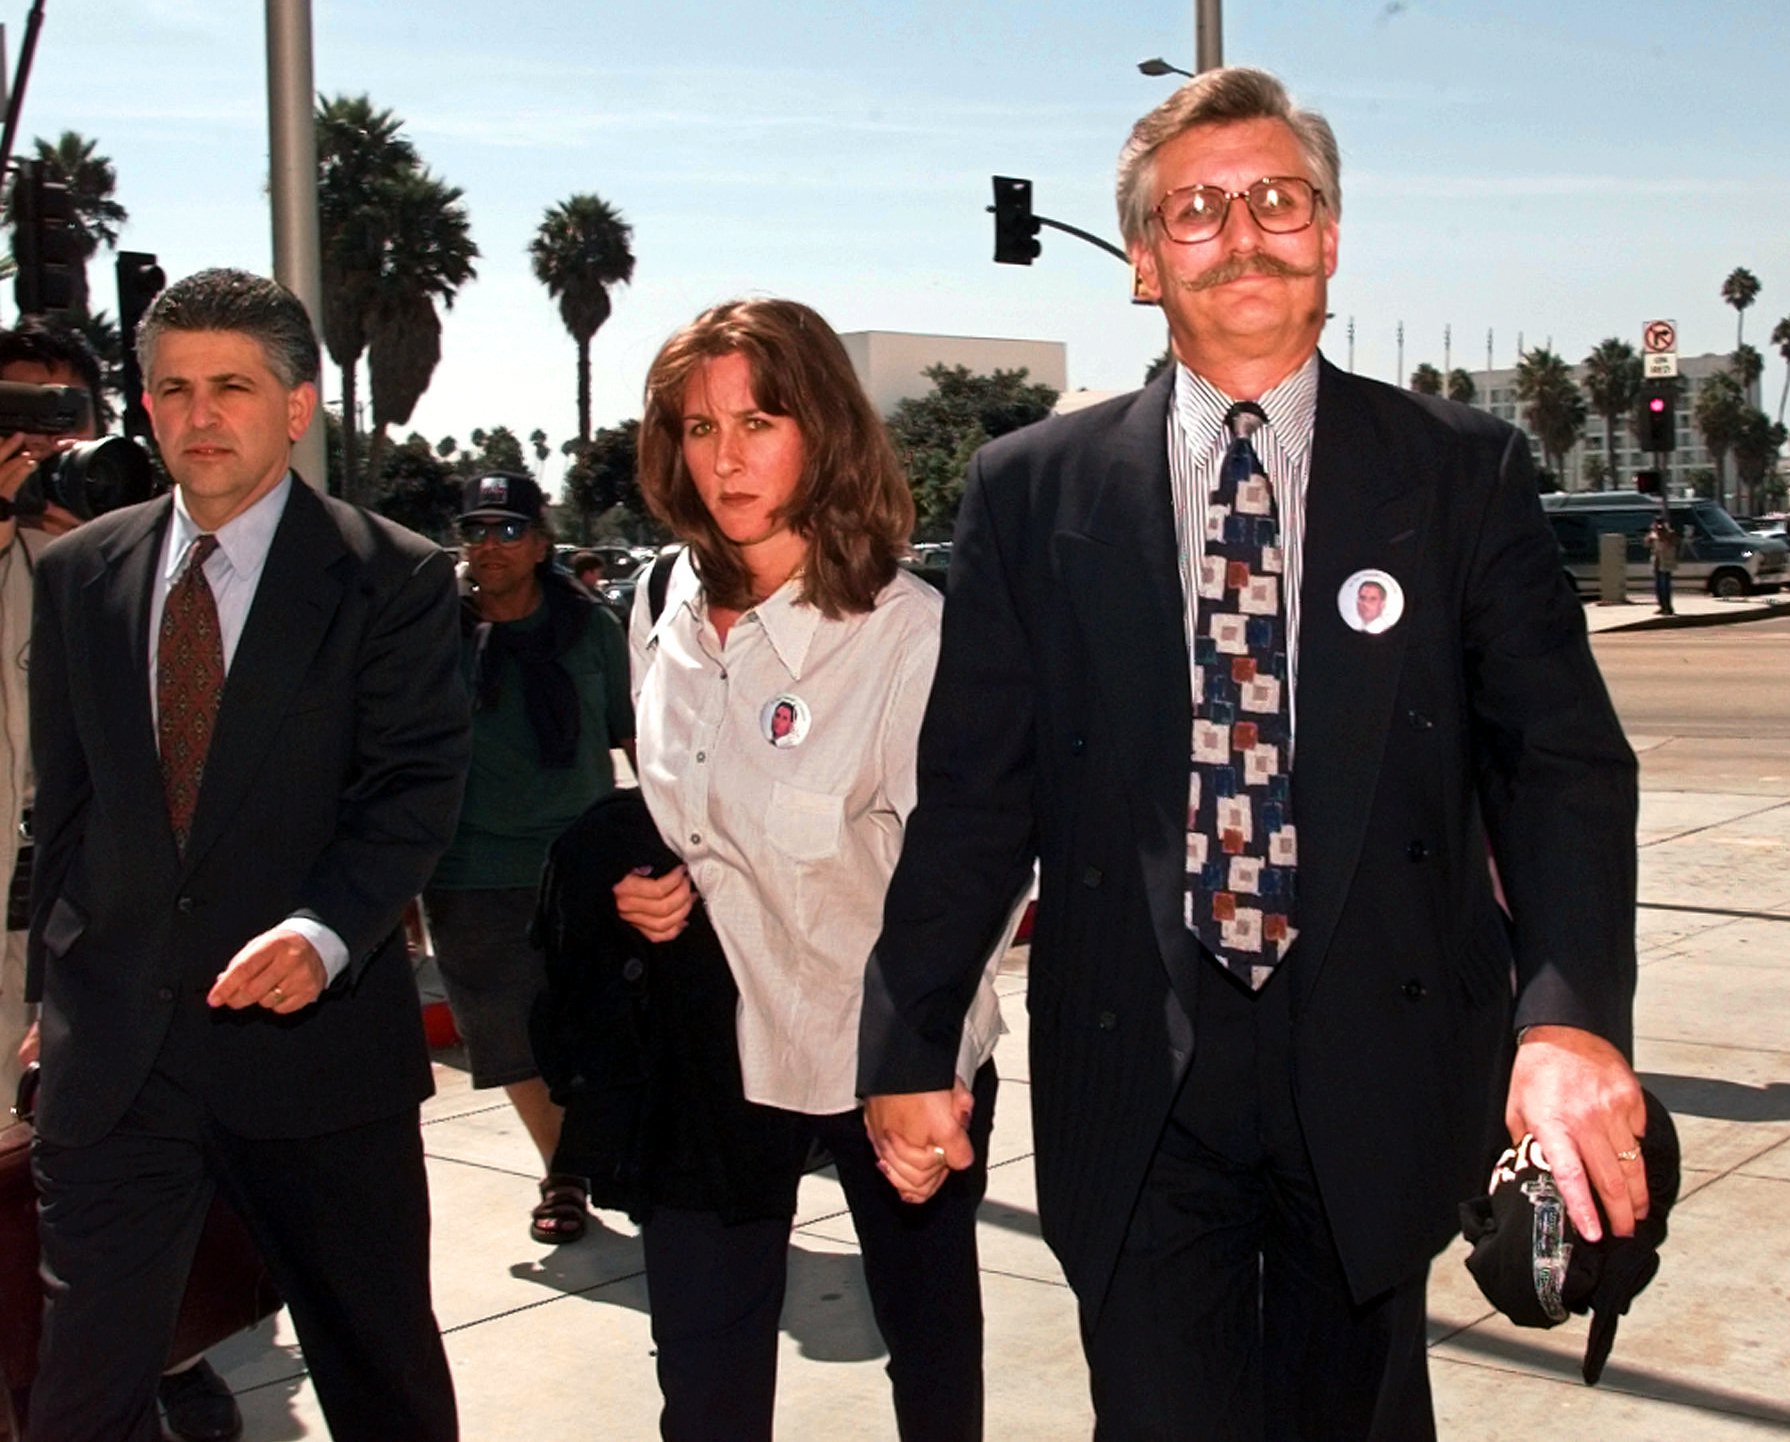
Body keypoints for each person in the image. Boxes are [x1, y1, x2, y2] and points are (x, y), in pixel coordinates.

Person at [858, 68, 1645, 1441]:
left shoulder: (1459, 472)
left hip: (1386, 1053)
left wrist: (1567, 1016)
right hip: (1138, 1065)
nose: (1244, 230)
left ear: (1330, 236)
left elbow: (1557, 766)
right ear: (1144, 264)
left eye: (1278, 198)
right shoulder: (1030, 489)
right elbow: (977, 791)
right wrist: (912, 1032)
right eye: (1198, 208)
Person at [23, 268, 469, 1442]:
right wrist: (46, 997)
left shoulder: (394, 577)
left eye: (231, 385)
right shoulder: (81, 576)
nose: (199, 413)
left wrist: (325, 933)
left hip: (313, 1059)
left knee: (380, 1376)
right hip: (114, 1060)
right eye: (171, 388)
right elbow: (62, 816)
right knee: (78, 1393)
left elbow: (410, 796)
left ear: (298, 404)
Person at [615, 298, 1006, 1441]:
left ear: (823, 430)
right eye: (697, 428)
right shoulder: (658, 603)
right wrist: (644, 887)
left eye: (759, 420)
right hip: (710, 1055)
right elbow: (676, 809)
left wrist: (921, 1058)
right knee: (702, 1374)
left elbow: (970, 869)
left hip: (881, 1051)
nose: (726, 458)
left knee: (930, 1360)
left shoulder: (907, 634)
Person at [0, 321, 245, 1442]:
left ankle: (153, 1364)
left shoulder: (103, 575)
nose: (44, 444)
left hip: (80, 972)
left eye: (68, 416)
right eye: (21, 410)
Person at [424, 471, 634, 1244]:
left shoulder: (590, 629)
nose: (490, 545)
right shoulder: (431, 631)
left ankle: (606, 1154)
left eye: (508, 530)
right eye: (475, 530)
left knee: (594, 1030)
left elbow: (637, 739)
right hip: (467, 870)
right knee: (506, 1039)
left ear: (542, 543)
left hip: (579, 867)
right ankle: (565, 1172)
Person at [1646, 514, 1680, 614]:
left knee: (1665, 586)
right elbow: (1646, 543)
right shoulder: (1653, 534)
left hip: (1666, 563)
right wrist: (1651, 534)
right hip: (1657, 562)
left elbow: (1671, 540)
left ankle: (1668, 607)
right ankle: (1661, 605)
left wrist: (1664, 532)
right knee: (1658, 587)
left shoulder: (1670, 533)